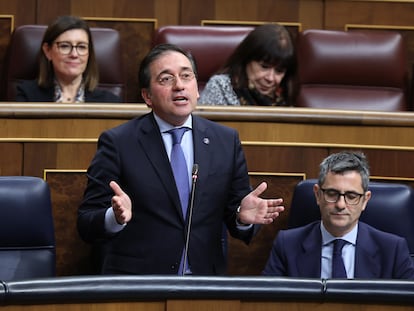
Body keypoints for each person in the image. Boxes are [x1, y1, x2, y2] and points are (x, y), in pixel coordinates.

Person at [77, 43, 285, 275]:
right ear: (147, 96)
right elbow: (86, 222)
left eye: (186, 76)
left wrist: (241, 217)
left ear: (196, 89)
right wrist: (114, 217)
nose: (179, 86)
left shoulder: (225, 141)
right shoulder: (119, 142)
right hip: (138, 283)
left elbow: (237, 216)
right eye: (166, 79)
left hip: (204, 281)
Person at [262, 151, 414, 279]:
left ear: (365, 200)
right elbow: (267, 303)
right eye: (332, 193)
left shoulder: (392, 250)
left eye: (351, 196)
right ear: (317, 195)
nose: (341, 204)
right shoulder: (287, 245)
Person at [16, 15, 121, 103]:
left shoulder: (110, 102)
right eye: (65, 46)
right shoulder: (27, 96)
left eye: (81, 47)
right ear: (48, 51)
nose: (74, 54)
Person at [198, 23, 295, 107]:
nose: (270, 78)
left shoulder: (284, 94)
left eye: (279, 71)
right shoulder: (220, 87)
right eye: (264, 67)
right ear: (247, 59)